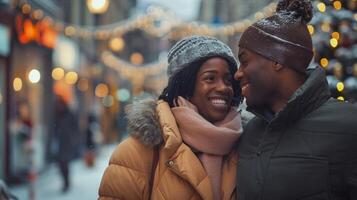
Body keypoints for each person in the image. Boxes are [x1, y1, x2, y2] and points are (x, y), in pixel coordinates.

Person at [234, 0, 357, 199]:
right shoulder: (250, 132)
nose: (237, 74)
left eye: (244, 61)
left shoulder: (350, 128)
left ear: (277, 59)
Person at [98, 35, 243, 200]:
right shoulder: (138, 152)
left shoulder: (247, 145)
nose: (223, 87)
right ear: (185, 85)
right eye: (210, 78)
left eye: (228, 80)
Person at [53, 95, 80, 193]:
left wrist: (74, 139)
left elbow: (75, 128)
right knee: (61, 163)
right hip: (60, 142)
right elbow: (54, 128)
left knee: (65, 163)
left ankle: (66, 183)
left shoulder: (69, 114)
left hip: (67, 142)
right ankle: (65, 182)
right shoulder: (57, 115)